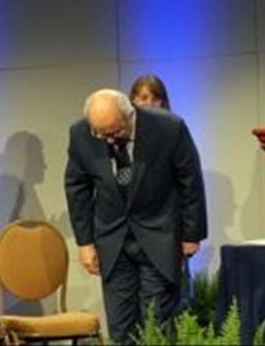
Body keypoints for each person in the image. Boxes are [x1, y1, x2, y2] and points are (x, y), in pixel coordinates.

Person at [64, 89, 207, 344]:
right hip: (112, 240)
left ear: (129, 114)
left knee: (157, 322)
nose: (108, 141)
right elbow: (77, 187)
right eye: (101, 134)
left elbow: (190, 181)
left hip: (159, 235)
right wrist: (85, 243)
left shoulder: (168, 127)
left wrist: (192, 234)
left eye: (115, 132)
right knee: (121, 326)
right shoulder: (81, 133)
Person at [129, 74, 192, 310]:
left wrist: (190, 234)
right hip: (131, 236)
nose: (149, 104)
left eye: (156, 99)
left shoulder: (173, 130)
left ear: (164, 103)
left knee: (160, 308)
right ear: (132, 101)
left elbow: (189, 184)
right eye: (143, 98)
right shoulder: (122, 137)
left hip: (165, 231)